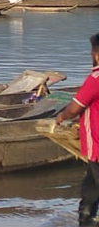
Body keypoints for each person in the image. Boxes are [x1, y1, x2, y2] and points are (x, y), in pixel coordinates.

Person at [56, 33, 99, 227]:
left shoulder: (95, 78)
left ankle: (87, 217)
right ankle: (86, 218)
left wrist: (61, 117)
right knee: (90, 182)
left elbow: (74, 109)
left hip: (97, 143)